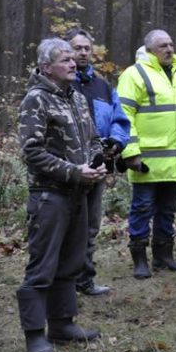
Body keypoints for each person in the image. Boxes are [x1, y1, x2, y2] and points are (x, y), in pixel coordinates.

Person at [17, 38, 107, 352]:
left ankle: (62, 325)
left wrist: (97, 161)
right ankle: (35, 336)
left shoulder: (79, 98)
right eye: (65, 59)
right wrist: (73, 172)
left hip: (79, 193)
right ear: (46, 67)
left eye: (73, 58)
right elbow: (32, 152)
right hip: (49, 195)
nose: (73, 63)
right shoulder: (36, 100)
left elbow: (93, 138)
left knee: (71, 262)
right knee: (42, 266)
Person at [117, 29, 176, 279]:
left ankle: (164, 256)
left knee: (168, 210)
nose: (169, 49)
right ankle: (139, 259)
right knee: (142, 208)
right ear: (149, 50)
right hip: (146, 161)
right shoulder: (133, 75)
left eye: (171, 44)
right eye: (162, 46)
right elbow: (124, 116)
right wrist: (131, 152)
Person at [65, 28, 130, 297]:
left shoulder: (103, 86)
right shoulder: (60, 83)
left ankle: (85, 279)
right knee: (67, 225)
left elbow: (120, 118)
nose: (82, 53)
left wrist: (116, 141)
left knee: (91, 225)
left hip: (98, 163)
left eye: (86, 48)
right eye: (76, 48)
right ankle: (63, 282)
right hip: (67, 167)